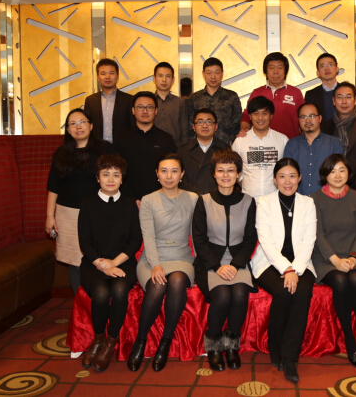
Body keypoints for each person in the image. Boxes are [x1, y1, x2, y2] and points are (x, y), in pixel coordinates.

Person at [127, 153, 198, 372]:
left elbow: (196, 234)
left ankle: (165, 342)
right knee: (158, 285)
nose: (169, 176)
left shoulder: (193, 198)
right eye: (164, 171)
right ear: (157, 174)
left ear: (182, 174)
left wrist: (198, 262)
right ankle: (140, 340)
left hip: (181, 257)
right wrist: (155, 264)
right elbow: (147, 237)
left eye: (174, 171)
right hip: (152, 257)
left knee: (177, 281)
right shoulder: (148, 200)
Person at [251, 158, 316, 383]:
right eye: (282, 176)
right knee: (282, 291)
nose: (287, 181)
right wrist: (287, 269)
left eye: (292, 176)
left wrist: (295, 268)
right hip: (269, 262)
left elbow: (309, 241)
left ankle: (288, 356)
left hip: (301, 262)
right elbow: (266, 242)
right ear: (274, 180)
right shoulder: (263, 203)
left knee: (303, 291)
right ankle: (275, 346)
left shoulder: (308, 203)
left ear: (299, 178)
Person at [192, 150, 257, 372]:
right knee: (221, 296)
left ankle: (231, 346)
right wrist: (217, 266)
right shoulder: (204, 201)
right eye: (221, 170)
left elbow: (250, 239)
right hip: (210, 261)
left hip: (238, 261)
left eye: (231, 170)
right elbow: (199, 239)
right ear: (214, 174)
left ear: (238, 174)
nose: (226, 175)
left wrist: (236, 265)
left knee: (239, 294)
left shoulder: (248, 201)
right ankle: (213, 346)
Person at [311, 154, 356, 367]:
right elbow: (317, 235)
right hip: (325, 258)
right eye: (332, 171)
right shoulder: (314, 199)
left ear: (349, 173)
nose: (338, 175)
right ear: (325, 175)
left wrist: (352, 257)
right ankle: (350, 340)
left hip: (351, 257)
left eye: (342, 170)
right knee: (340, 281)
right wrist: (335, 260)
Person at [78, 154, 142, 372]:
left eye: (116, 175)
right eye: (106, 174)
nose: (111, 179)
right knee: (101, 292)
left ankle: (110, 343)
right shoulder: (87, 204)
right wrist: (103, 265)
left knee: (120, 289)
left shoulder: (130, 205)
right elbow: (85, 242)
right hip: (93, 264)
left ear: (122, 179)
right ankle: (98, 339)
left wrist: (114, 262)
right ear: (98, 178)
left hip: (123, 262)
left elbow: (135, 240)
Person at [46, 108, 116, 294]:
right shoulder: (61, 153)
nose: (78, 127)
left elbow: (116, 180)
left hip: (99, 212)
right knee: (74, 261)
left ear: (91, 125)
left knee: (99, 258)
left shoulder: (105, 149)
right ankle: (81, 302)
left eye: (82, 122)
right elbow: (53, 186)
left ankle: (100, 301)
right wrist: (50, 216)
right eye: (73, 124)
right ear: (68, 129)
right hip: (67, 214)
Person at [117, 91, 177, 206]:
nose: (145, 111)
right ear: (133, 110)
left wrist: (157, 197)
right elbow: (116, 170)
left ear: (156, 111)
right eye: (140, 107)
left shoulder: (166, 139)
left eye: (149, 107)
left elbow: (173, 171)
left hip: (160, 201)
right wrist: (131, 198)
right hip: (127, 201)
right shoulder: (121, 139)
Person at [232, 96, 288, 198]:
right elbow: (233, 169)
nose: (260, 118)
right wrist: (246, 187)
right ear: (250, 116)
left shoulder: (283, 140)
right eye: (256, 113)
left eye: (265, 113)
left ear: (271, 116)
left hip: (275, 199)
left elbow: (287, 169)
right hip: (248, 199)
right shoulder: (240, 141)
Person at [239, 52, 305, 139]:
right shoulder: (257, 93)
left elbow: (304, 117)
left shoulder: (296, 92)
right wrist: (244, 130)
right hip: (262, 143)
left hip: (291, 143)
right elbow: (247, 117)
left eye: (280, 68)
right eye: (271, 68)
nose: (276, 72)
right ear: (265, 71)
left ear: (286, 71)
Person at [283, 103, 343, 195]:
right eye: (303, 117)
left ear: (320, 118)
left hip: (326, 199)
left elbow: (339, 175)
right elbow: (287, 175)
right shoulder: (291, 145)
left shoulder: (334, 143)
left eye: (312, 116)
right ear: (298, 120)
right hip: (299, 200)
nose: (308, 120)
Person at [188, 57, 243, 145]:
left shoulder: (231, 96)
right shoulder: (195, 98)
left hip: (225, 146)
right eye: (209, 73)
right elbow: (190, 124)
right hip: (201, 146)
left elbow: (237, 123)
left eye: (217, 72)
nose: (213, 77)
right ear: (203, 74)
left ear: (222, 73)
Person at [177, 108, 230, 195]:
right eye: (200, 122)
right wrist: (196, 193)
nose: (205, 125)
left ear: (216, 126)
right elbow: (180, 177)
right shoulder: (183, 150)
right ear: (193, 127)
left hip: (218, 197)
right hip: (191, 197)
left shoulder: (225, 149)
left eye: (209, 122)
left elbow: (229, 175)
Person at [84, 58, 133, 144]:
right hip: (97, 147)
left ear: (117, 76)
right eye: (103, 73)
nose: (107, 77)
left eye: (111, 73)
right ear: (98, 77)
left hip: (121, 147)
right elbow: (86, 125)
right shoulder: (90, 100)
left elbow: (133, 126)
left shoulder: (129, 100)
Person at [153, 62, 189, 147]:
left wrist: (184, 150)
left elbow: (185, 131)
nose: (164, 80)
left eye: (168, 76)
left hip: (175, 147)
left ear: (173, 80)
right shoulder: (148, 102)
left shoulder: (180, 102)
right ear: (154, 78)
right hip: (152, 146)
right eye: (160, 76)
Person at [304, 53, 340, 122]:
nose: (327, 68)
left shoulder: (347, 91)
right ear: (318, 72)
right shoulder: (311, 95)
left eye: (330, 65)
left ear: (337, 69)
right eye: (323, 66)